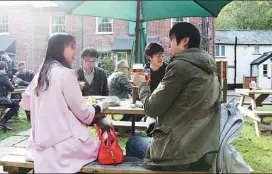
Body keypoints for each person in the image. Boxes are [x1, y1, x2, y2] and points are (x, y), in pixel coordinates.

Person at [127, 22, 221, 171]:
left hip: (177, 154)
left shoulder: (179, 67)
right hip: (204, 151)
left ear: (184, 41)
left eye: (171, 39)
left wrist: (141, 85)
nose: (169, 45)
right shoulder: (210, 70)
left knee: (132, 142)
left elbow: (151, 108)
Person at [21, 34, 111, 173]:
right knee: (97, 146)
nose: (75, 52)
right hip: (63, 146)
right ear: (59, 48)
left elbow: (26, 101)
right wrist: (100, 106)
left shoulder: (41, 73)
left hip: (39, 144)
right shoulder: (66, 74)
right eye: (71, 47)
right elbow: (83, 113)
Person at [143, 42, 168, 136]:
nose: (161, 58)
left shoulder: (168, 70)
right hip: (150, 105)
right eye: (158, 55)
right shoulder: (144, 70)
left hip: (165, 106)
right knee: (150, 121)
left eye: (162, 55)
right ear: (149, 57)